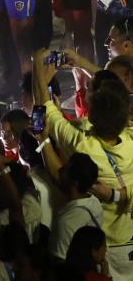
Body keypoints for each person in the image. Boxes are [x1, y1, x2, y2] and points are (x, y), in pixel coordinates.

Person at [33, 54, 133, 278]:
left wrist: (38, 65)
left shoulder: (83, 145)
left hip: (102, 249)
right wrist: (80, 60)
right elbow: (117, 94)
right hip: (129, 241)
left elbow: (43, 106)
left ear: (93, 112)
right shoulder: (131, 140)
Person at [49, 152, 104, 261]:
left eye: (65, 169)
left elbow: (60, 264)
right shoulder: (93, 202)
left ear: (74, 183)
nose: (60, 170)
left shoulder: (66, 223)